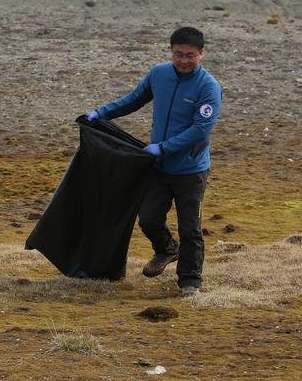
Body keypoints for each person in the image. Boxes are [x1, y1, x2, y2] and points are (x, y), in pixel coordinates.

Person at [85, 26, 221, 297]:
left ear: (201, 54)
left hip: (190, 170)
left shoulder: (208, 87)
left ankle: (190, 282)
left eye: (190, 55)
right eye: (179, 54)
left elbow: (200, 130)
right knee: (148, 218)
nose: (184, 60)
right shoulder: (159, 74)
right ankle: (167, 249)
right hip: (158, 167)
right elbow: (134, 100)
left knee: (189, 227)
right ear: (171, 52)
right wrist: (101, 114)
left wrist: (164, 147)